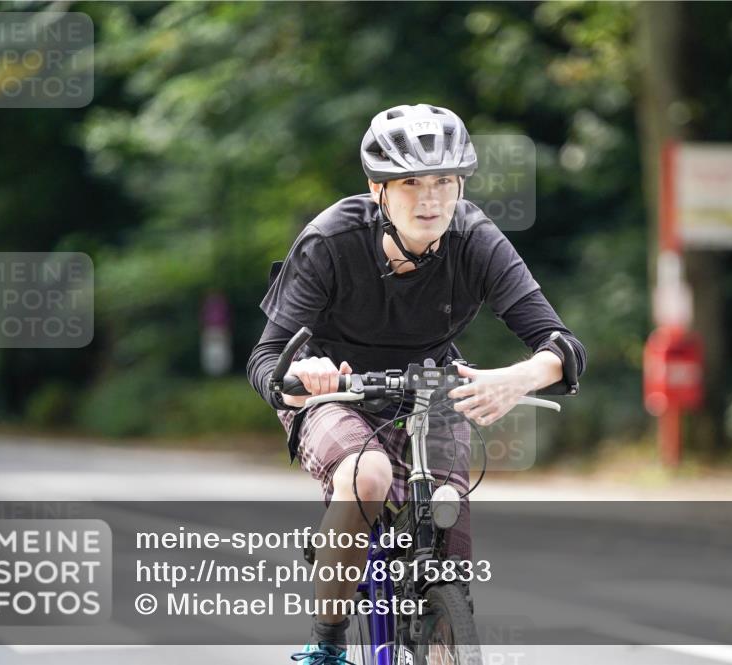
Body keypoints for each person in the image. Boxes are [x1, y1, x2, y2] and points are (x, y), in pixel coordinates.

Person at [247, 103, 586, 663]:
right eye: (410, 183)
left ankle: (442, 630)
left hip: (430, 385)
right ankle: (327, 642)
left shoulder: (475, 239)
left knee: (447, 513)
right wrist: (301, 375)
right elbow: (266, 360)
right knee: (370, 474)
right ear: (377, 188)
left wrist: (518, 377)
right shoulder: (330, 241)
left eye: (445, 182)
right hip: (334, 389)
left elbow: (562, 345)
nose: (430, 199)